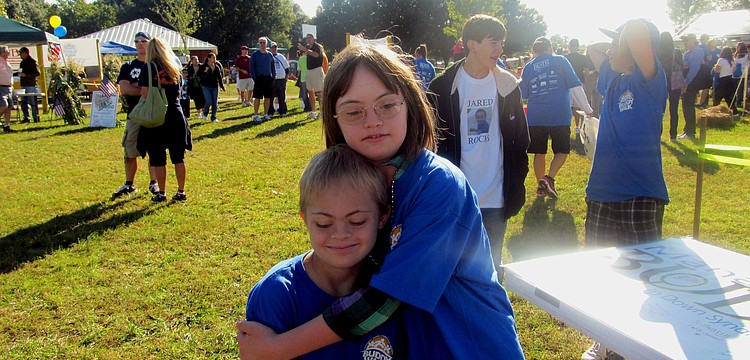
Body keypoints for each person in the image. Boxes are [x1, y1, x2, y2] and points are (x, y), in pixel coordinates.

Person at [237, 42, 524, 359]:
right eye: (353, 111)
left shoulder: (439, 184)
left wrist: (278, 348)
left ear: (409, 105)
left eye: (386, 105)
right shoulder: (356, 180)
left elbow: (386, 300)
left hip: (472, 349)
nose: (372, 121)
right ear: (335, 119)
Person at [245, 144, 408, 359]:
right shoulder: (278, 294)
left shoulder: (390, 283)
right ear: (305, 220)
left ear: (382, 217)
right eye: (323, 223)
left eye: (357, 221)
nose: (340, 234)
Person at [582, 19, 669, 360]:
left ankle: (635, 347)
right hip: (601, 191)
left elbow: (637, 31)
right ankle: (607, 340)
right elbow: (592, 50)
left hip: (640, 193)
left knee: (642, 277)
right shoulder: (613, 78)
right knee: (603, 274)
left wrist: (626, 41)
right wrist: (616, 50)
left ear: (635, 49)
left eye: (619, 44)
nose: (612, 51)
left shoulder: (650, 80)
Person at [427, 15, 530, 274]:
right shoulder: (441, 87)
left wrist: (517, 182)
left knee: (490, 272)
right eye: (493, 42)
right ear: (472, 45)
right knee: (454, 273)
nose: (500, 49)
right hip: (456, 198)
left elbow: (521, 141)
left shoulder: (508, 86)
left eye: (502, 43)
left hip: (496, 197)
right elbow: (429, 143)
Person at [521, 36, 593, 199]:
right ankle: (549, 178)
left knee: (539, 152)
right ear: (550, 48)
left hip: (536, 116)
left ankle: (541, 185)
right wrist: (587, 108)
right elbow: (575, 86)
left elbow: (523, 94)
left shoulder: (529, 67)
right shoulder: (560, 60)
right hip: (558, 114)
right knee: (562, 150)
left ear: (534, 51)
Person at [136, 37, 192, 203]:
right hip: (176, 113)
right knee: (178, 156)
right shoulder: (174, 67)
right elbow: (179, 90)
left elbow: (145, 93)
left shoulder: (148, 68)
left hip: (157, 116)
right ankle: (181, 192)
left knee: (158, 156)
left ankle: (162, 193)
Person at [112, 32, 157, 198]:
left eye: (143, 41)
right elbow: (125, 89)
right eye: (137, 41)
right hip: (134, 114)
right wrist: (145, 89)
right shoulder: (128, 66)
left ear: (149, 43)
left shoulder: (156, 64)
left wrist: (138, 87)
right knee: (130, 149)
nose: (140, 44)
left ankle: (155, 183)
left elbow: (159, 89)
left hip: (153, 114)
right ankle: (129, 184)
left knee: (154, 149)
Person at [658, 32, 685, 142]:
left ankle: (658, 134)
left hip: (661, 81)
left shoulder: (657, 52)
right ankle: (673, 135)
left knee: (659, 110)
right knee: (674, 109)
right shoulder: (677, 52)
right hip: (675, 81)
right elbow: (682, 65)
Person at [680, 33, 703, 139]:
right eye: (684, 40)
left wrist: (686, 83)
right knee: (685, 105)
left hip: (691, 83)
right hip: (686, 82)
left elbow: (694, 69)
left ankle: (690, 131)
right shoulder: (686, 53)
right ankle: (687, 129)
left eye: (687, 40)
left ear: (693, 40)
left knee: (689, 106)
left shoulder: (697, 52)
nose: (685, 42)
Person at [296, 33, 324, 119]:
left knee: (319, 93)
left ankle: (322, 112)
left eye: (310, 38)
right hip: (309, 71)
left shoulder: (317, 46)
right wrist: (303, 49)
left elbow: (316, 55)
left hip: (316, 70)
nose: (308, 39)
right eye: (307, 38)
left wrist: (305, 50)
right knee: (310, 91)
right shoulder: (308, 47)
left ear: (314, 39)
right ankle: (313, 111)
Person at [250, 37, 275, 123]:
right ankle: (256, 115)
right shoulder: (255, 54)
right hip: (259, 78)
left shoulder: (269, 54)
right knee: (257, 97)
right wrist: (255, 78)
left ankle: (265, 114)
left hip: (268, 78)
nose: (262, 44)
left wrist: (273, 77)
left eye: (264, 42)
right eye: (261, 42)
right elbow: (252, 67)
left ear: (266, 44)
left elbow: (272, 67)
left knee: (267, 97)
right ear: (258, 44)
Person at [199, 53, 225, 122]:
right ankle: (205, 113)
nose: (214, 59)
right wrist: (205, 71)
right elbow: (200, 76)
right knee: (208, 101)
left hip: (215, 86)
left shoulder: (216, 67)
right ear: (209, 58)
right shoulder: (203, 66)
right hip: (206, 86)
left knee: (215, 103)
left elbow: (219, 77)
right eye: (213, 58)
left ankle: (213, 117)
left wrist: (222, 86)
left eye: (215, 58)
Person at [18, 47, 41, 123]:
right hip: (23, 84)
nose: (20, 55)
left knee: (32, 102)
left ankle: (36, 117)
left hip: (31, 85)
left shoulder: (32, 62)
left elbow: (37, 73)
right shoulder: (22, 62)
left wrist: (26, 75)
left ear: (25, 53)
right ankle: (26, 117)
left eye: (21, 53)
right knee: (23, 102)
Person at [713, 47, 738, 114]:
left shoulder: (721, 60)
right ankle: (735, 112)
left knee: (717, 98)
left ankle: (714, 112)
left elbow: (717, 70)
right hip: (730, 79)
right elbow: (734, 70)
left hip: (722, 80)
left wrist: (715, 68)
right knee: (729, 98)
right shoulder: (733, 61)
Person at [269, 42, 289, 117]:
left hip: (281, 79)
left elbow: (287, 68)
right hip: (272, 80)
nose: (274, 49)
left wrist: (286, 78)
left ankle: (282, 111)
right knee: (271, 97)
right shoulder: (268, 56)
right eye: (272, 47)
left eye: (275, 47)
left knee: (281, 96)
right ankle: (270, 111)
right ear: (270, 48)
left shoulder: (281, 56)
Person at [0, 45, 15, 133]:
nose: (9, 53)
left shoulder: (7, 62)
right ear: (2, 53)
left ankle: (6, 125)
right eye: (7, 51)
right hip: (1, 87)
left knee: (9, 107)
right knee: (3, 105)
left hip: (9, 87)